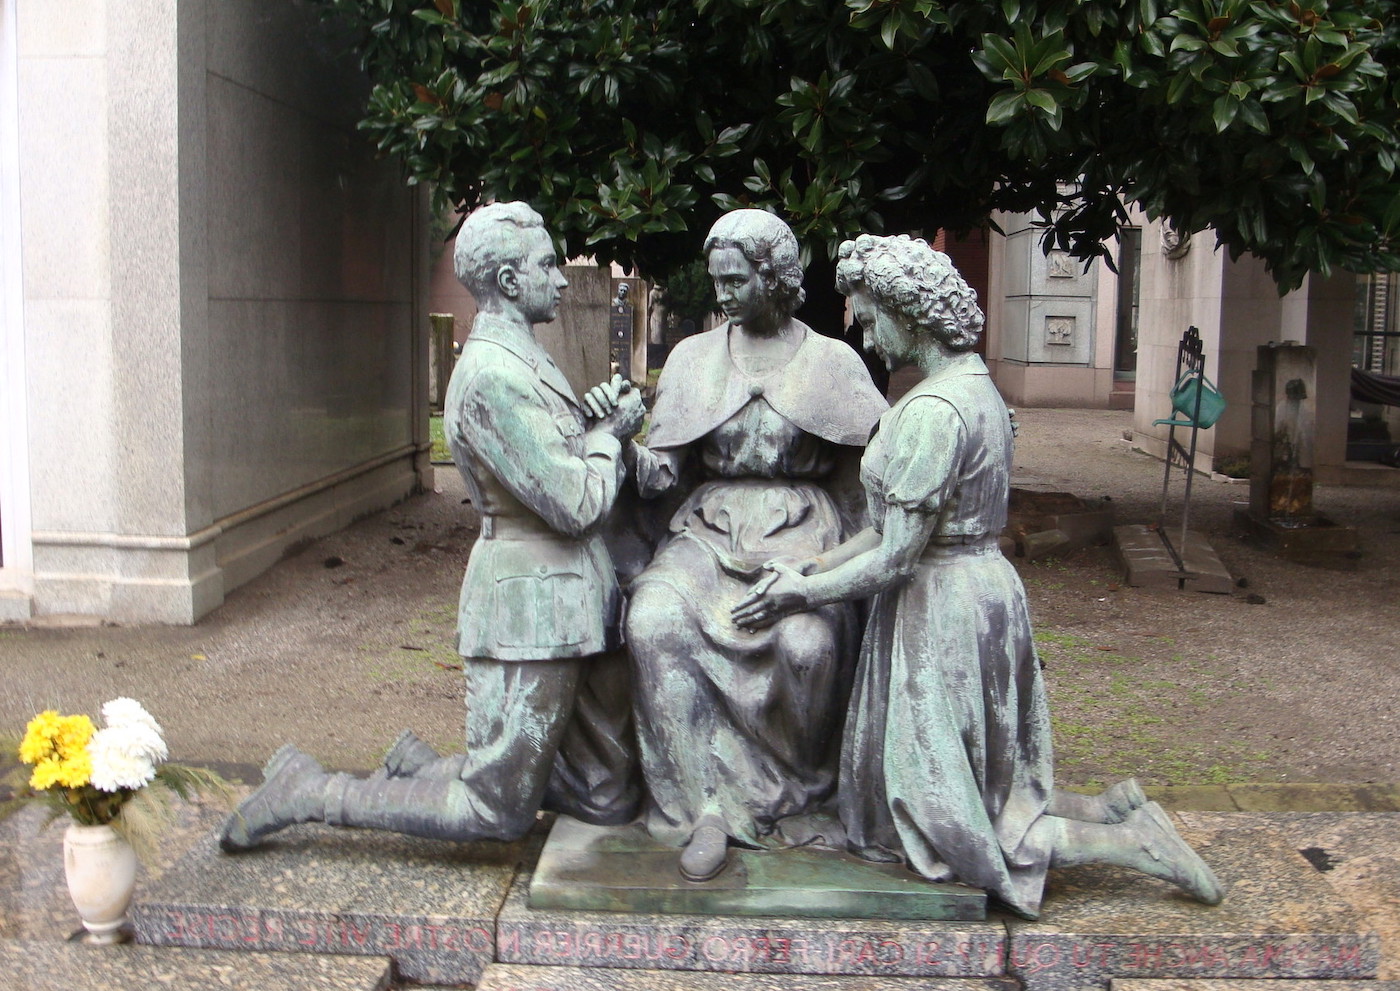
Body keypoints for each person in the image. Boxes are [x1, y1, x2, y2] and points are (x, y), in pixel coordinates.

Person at [732, 234, 1222, 919]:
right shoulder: (971, 387)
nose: (867, 333)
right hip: (971, 589)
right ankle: (1113, 806)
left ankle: (1136, 843)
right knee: (975, 780)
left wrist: (802, 593)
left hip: (943, 607)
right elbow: (887, 530)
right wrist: (812, 564)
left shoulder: (935, 412)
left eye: (872, 317)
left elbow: (898, 555)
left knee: (947, 812)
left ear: (910, 312)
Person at [220, 202, 644, 851]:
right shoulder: (493, 378)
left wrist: (592, 430)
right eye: (547, 265)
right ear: (507, 281)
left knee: (607, 794)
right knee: (494, 810)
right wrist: (611, 438)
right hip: (529, 609)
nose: (561, 279)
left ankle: (428, 769)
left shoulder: (527, 358)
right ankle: (313, 791)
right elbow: (576, 503)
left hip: (576, 600)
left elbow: (555, 468)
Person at [597, 210, 887, 882]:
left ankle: (802, 792)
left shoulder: (832, 361)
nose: (721, 294)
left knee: (807, 647)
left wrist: (850, 566)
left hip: (806, 533)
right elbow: (665, 473)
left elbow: (868, 478)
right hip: (708, 529)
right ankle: (699, 802)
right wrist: (619, 448)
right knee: (653, 621)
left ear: (775, 278)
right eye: (717, 280)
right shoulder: (696, 357)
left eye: (735, 281)